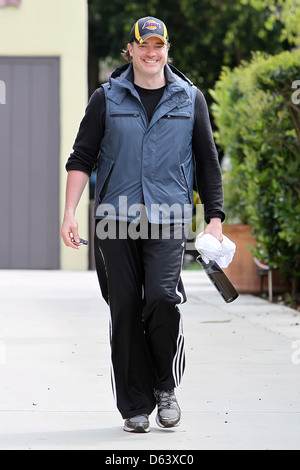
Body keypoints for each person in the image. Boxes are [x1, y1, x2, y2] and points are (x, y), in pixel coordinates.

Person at [60, 16, 225, 433]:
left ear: (168, 50)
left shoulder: (190, 99)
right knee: (126, 308)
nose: (152, 53)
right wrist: (69, 213)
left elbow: (208, 163)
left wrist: (216, 220)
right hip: (115, 219)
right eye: (144, 46)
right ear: (130, 50)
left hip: (169, 218)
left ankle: (165, 387)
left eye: (159, 46)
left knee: (162, 298)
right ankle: (134, 405)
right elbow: (81, 158)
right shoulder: (107, 98)